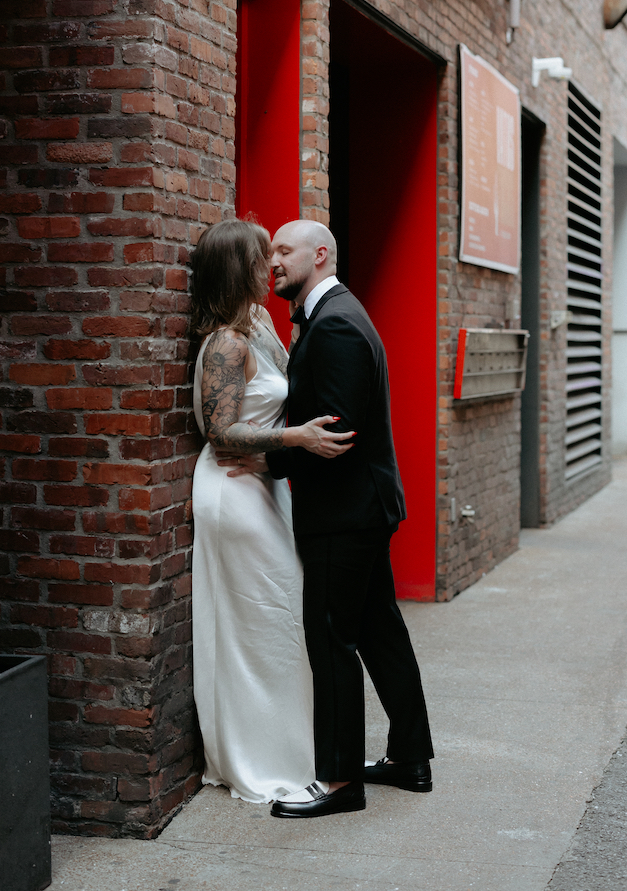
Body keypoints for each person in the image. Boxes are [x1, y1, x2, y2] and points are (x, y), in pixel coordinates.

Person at [226, 220, 433, 819]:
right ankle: (409, 757)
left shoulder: (337, 321)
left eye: (284, 252)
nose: (274, 264)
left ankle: (342, 783)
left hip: (343, 512)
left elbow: (334, 433)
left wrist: (265, 456)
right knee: (377, 630)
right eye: (269, 255)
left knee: (332, 638)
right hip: (361, 507)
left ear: (320, 254)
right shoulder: (335, 313)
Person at [190, 218, 354, 803]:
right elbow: (220, 432)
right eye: (264, 258)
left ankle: (299, 748)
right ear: (240, 269)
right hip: (232, 492)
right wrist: (295, 441)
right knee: (265, 618)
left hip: (261, 485)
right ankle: (263, 757)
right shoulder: (227, 344)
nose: (273, 268)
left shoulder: (259, 324)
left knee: (282, 616)